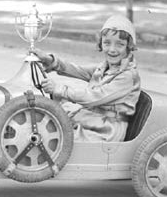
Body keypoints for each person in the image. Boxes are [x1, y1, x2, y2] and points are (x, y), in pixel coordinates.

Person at [33, 14, 141, 142]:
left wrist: (59, 89)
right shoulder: (106, 67)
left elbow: (93, 97)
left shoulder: (127, 76)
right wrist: (52, 62)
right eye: (107, 43)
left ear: (129, 47)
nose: (112, 49)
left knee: (55, 137)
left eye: (120, 44)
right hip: (92, 118)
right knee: (50, 115)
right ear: (101, 44)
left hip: (106, 129)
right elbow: (79, 70)